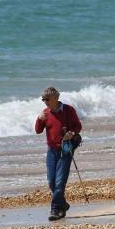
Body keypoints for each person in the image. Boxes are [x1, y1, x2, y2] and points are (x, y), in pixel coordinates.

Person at [35, 86, 82, 221]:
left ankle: (55, 209)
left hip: (66, 150)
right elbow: (38, 130)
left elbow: (78, 126)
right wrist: (39, 119)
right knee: (51, 182)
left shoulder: (68, 110)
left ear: (56, 98)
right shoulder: (45, 113)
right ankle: (63, 204)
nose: (45, 101)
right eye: (43, 99)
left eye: (47, 99)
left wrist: (71, 133)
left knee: (60, 182)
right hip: (51, 151)